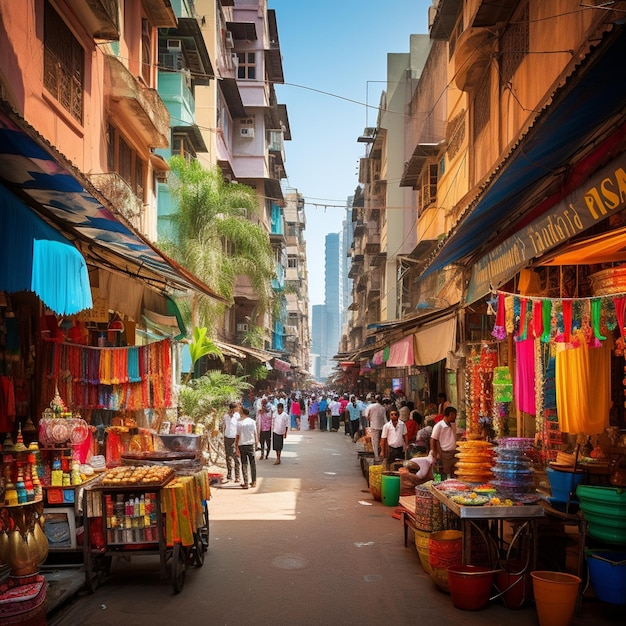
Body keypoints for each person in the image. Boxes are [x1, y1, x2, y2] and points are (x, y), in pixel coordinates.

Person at [430, 406, 458, 479]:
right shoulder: (439, 426)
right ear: (450, 415)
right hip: (445, 453)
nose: (455, 418)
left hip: (454, 452)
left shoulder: (453, 424)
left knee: (456, 471)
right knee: (447, 472)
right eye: (454, 415)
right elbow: (433, 439)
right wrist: (435, 453)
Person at [235, 407, 259, 489]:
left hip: (242, 444)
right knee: (253, 463)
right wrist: (256, 442)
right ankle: (254, 481)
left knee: (244, 464)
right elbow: (255, 433)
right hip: (250, 444)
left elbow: (237, 436)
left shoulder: (239, 423)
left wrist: (236, 446)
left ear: (242, 413)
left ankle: (246, 483)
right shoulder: (252, 422)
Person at [221, 402, 241, 483]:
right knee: (228, 456)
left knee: (236, 457)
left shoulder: (237, 416)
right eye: (236, 408)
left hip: (234, 438)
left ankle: (237, 476)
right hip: (227, 438)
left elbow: (239, 427)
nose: (237, 409)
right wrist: (223, 435)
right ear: (232, 408)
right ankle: (229, 475)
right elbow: (224, 426)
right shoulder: (226, 416)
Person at [365, 395, 387, 464]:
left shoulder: (370, 406)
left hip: (374, 425)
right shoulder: (383, 408)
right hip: (382, 426)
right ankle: (382, 455)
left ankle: (377, 456)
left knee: (375, 441)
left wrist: (370, 420)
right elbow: (385, 418)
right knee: (382, 441)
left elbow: (366, 415)